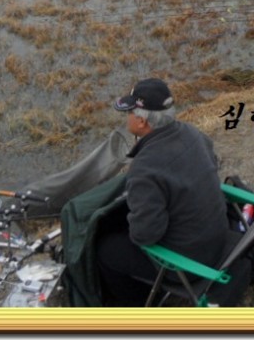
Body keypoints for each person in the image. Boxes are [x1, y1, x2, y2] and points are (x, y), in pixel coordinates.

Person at [95, 77, 231, 306]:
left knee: (107, 251)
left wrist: (131, 221)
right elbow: (211, 164)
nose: (127, 117)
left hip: (191, 264)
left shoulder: (144, 168)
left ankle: (136, 305)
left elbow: (145, 235)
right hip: (220, 237)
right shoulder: (192, 132)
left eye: (129, 112)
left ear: (141, 122)